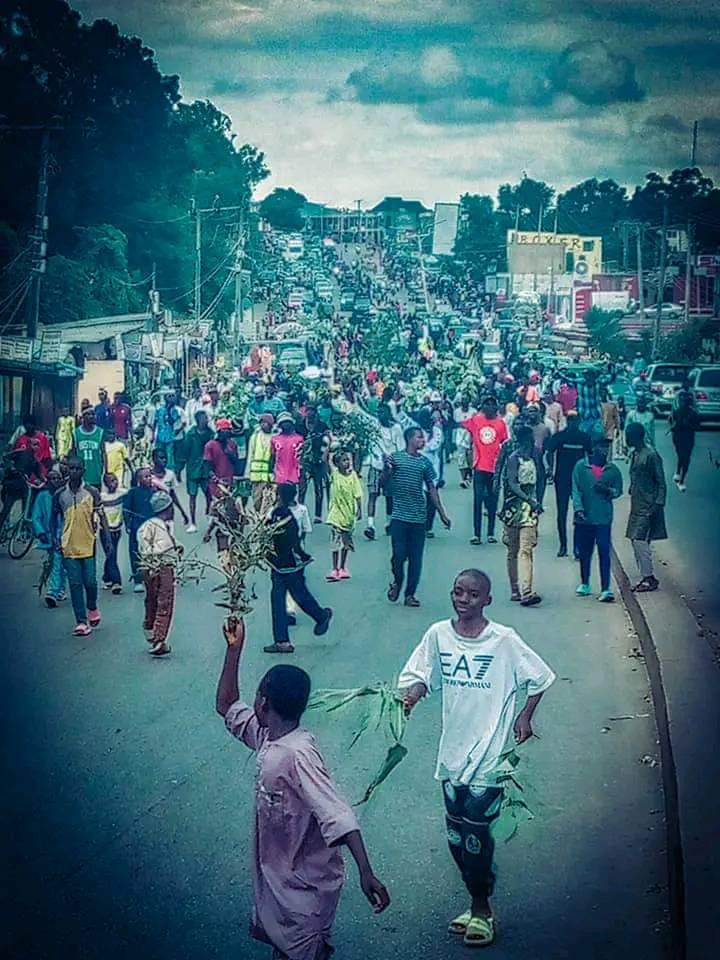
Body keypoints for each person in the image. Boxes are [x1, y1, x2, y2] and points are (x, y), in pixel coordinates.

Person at [399, 568, 555, 948]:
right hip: (452, 756)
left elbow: (540, 677)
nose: (463, 599)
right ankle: (476, 894)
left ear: (487, 600)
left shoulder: (504, 640)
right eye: (457, 592)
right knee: (455, 836)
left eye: (472, 594)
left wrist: (525, 716)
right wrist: (412, 695)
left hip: (489, 757)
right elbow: (421, 676)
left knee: (476, 836)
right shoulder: (438, 635)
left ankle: (481, 907)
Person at [216, 620, 389, 959]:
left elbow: (338, 814)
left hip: (306, 889)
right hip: (281, 883)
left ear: (263, 702)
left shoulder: (298, 755)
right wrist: (233, 650)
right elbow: (226, 705)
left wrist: (366, 872)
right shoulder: (268, 735)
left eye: (257, 693)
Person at [386, 426, 451, 608]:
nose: (423, 441)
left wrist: (442, 513)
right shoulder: (396, 459)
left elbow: (432, 489)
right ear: (409, 439)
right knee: (398, 555)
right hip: (399, 516)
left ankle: (410, 594)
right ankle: (398, 581)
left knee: (416, 558)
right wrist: (388, 471)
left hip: (418, 518)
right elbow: (383, 483)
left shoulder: (424, 463)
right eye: (419, 437)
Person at [265, 487, 333, 654]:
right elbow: (297, 538)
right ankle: (320, 616)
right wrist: (303, 555)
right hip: (292, 563)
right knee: (299, 594)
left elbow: (274, 535)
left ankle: (282, 640)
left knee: (278, 600)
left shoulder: (279, 514)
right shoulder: (294, 512)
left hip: (281, 564)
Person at [52, 455, 108, 636]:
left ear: (83, 470)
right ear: (66, 470)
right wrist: (54, 538)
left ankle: (92, 606)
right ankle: (81, 621)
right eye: (71, 468)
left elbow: (101, 515)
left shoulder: (91, 492)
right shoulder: (60, 494)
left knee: (90, 582)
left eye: (77, 468)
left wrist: (106, 538)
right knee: (75, 584)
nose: (74, 472)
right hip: (68, 545)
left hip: (88, 543)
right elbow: (54, 518)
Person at [572, 442, 623, 602]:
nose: (605, 451)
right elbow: (575, 489)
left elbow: (618, 491)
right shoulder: (581, 467)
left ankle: (606, 588)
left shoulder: (613, 470)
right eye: (602, 447)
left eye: (607, 448)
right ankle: (585, 582)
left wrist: (608, 491)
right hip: (584, 518)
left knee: (604, 551)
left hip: (603, 518)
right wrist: (578, 508)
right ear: (594, 449)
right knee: (585, 552)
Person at [499, 425, 544, 606]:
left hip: (529, 507)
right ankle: (515, 589)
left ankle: (526, 590)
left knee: (526, 549)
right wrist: (530, 499)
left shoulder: (536, 456)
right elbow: (512, 483)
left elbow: (540, 479)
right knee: (513, 549)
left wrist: (537, 501)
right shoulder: (513, 459)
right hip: (514, 505)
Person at [137, 489, 181, 656]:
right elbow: (145, 546)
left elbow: (170, 542)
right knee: (164, 601)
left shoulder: (161, 526)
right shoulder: (151, 526)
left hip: (151, 568)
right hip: (160, 567)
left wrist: (178, 546)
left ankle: (154, 633)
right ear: (168, 508)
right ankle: (158, 638)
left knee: (154, 600)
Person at [625, 422, 667, 592]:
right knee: (636, 540)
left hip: (648, 506)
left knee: (639, 541)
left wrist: (657, 504)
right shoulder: (635, 454)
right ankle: (646, 576)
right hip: (637, 504)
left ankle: (649, 578)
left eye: (628, 435)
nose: (626, 438)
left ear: (635, 436)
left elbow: (661, 482)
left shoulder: (651, 455)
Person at [544, 411, 592, 557]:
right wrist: (550, 470)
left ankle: (577, 547)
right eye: (570, 420)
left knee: (580, 513)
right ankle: (563, 545)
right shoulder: (560, 436)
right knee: (562, 513)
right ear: (567, 421)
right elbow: (549, 452)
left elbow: (590, 456)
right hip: (562, 479)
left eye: (575, 420)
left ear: (579, 421)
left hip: (579, 481)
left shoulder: (584, 438)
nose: (572, 423)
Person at [463, 396, 508, 546]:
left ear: (496, 408)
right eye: (486, 405)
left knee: (492, 501)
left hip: (494, 468)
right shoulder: (476, 420)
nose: (489, 408)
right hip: (479, 466)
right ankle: (476, 534)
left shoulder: (501, 424)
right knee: (478, 500)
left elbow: (504, 443)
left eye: (491, 405)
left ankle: (490, 532)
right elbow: (463, 425)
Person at [364, 404, 403, 540]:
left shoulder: (396, 428)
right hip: (376, 465)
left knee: (390, 497)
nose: (380, 415)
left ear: (388, 413)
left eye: (383, 412)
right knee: (372, 494)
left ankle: (389, 522)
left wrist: (392, 460)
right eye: (378, 412)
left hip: (392, 467)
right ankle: (370, 525)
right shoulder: (374, 427)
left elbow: (400, 447)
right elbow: (372, 446)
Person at [31, 465, 67, 608]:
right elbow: (36, 516)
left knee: (63, 564)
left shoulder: (66, 495)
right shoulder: (42, 497)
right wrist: (40, 532)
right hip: (49, 535)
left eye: (57, 478)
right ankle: (55, 590)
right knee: (56, 563)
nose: (55, 481)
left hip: (65, 534)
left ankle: (57, 590)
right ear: (47, 480)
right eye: (52, 478)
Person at [325, 450, 363, 582]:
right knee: (335, 542)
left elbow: (358, 494)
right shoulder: (334, 475)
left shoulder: (353, 476)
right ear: (337, 464)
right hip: (336, 513)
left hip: (348, 514)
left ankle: (342, 567)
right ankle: (334, 568)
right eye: (343, 460)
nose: (347, 463)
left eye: (348, 460)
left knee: (346, 542)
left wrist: (359, 510)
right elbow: (326, 461)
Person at [179, 410, 214, 531]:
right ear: (198, 419)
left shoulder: (211, 433)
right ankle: (193, 522)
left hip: (206, 468)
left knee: (209, 494)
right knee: (192, 496)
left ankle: (209, 512)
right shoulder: (190, 434)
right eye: (204, 418)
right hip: (193, 469)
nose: (207, 420)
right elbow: (184, 452)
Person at [124, 467, 157, 593]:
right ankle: (138, 580)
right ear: (138, 479)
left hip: (152, 526)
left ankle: (152, 575)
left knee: (152, 551)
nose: (148, 479)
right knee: (135, 553)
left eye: (149, 476)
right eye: (145, 477)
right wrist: (127, 523)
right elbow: (127, 509)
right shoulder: (132, 493)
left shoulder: (154, 492)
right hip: (137, 526)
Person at [299, 405, 331, 523]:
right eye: (308, 411)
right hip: (305, 462)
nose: (310, 414)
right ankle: (300, 512)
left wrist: (325, 455)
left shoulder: (322, 426)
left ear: (316, 413)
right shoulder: (300, 426)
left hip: (319, 461)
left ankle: (318, 515)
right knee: (302, 488)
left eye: (312, 412)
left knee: (319, 488)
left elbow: (329, 439)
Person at [100, 471, 127, 594]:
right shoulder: (102, 497)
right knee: (111, 554)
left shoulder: (122, 493)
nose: (114, 483)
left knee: (111, 554)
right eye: (111, 481)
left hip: (117, 530)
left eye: (115, 480)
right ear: (105, 483)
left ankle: (106, 577)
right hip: (105, 531)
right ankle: (117, 582)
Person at [203, 418, 243, 502]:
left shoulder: (232, 444)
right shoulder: (210, 445)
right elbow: (207, 466)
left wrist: (230, 454)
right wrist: (216, 480)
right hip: (216, 483)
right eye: (224, 430)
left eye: (228, 430)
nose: (227, 432)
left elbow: (237, 463)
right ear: (219, 431)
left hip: (230, 482)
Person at [668, 392, 701, 491]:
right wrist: (674, 427)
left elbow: (698, 426)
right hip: (678, 437)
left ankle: (682, 480)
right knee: (680, 456)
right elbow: (670, 421)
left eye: (685, 402)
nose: (684, 403)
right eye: (682, 401)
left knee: (686, 458)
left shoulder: (694, 414)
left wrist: (689, 425)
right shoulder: (676, 412)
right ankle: (678, 471)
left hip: (688, 438)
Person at [247, 413, 275, 510]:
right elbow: (250, 456)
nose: (263, 425)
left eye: (266, 423)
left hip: (270, 476)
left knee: (269, 501)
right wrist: (247, 474)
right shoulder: (254, 437)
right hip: (256, 475)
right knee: (257, 501)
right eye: (262, 423)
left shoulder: (275, 438)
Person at [73, 407, 107, 488]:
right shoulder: (75, 433)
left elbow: (103, 453)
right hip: (81, 474)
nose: (91, 416)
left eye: (93, 414)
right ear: (83, 417)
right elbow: (73, 453)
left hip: (95, 472)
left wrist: (106, 470)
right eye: (88, 414)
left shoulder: (100, 432)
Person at [271, 412, 304, 486]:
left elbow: (301, 459)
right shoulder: (275, 439)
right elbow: (272, 457)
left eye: (288, 422)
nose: (286, 425)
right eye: (283, 423)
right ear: (280, 425)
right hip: (279, 475)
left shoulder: (299, 439)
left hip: (294, 475)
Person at [454, 395, 476, 489]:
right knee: (461, 457)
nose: (464, 402)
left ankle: (469, 474)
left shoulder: (474, 412)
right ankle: (463, 479)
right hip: (460, 436)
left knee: (470, 458)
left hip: (471, 435)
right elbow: (456, 423)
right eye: (463, 400)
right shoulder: (457, 412)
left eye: (466, 400)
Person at [599, 387, 620, 460]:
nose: (603, 394)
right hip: (599, 430)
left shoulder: (612, 404)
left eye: (604, 392)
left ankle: (608, 462)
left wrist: (618, 428)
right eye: (601, 393)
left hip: (609, 429)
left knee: (609, 448)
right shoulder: (598, 404)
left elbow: (616, 417)